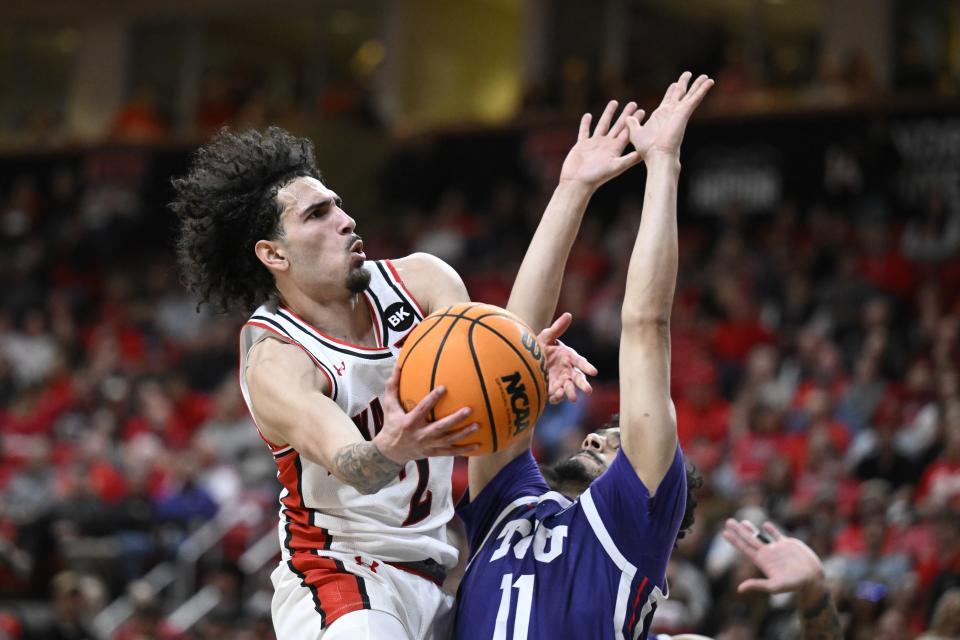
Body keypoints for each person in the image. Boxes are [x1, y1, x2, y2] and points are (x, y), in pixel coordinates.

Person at [170, 95, 644, 638]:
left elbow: (498, 348)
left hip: (438, 578)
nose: (346, 220)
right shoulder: (276, 358)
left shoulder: (421, 280)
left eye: (338, 205)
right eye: (317, 215)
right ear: (274, 254)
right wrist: (393, 445)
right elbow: (352, 463)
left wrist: (527, 358)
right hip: (338, 577)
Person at [453, 72, 714, 640]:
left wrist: (663, 164)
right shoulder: (509, 502)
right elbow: (512, 339)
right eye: (603, 433)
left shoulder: (629, 525)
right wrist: (572, 188)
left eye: (617, 443)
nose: (596, 437)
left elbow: (646, 326)